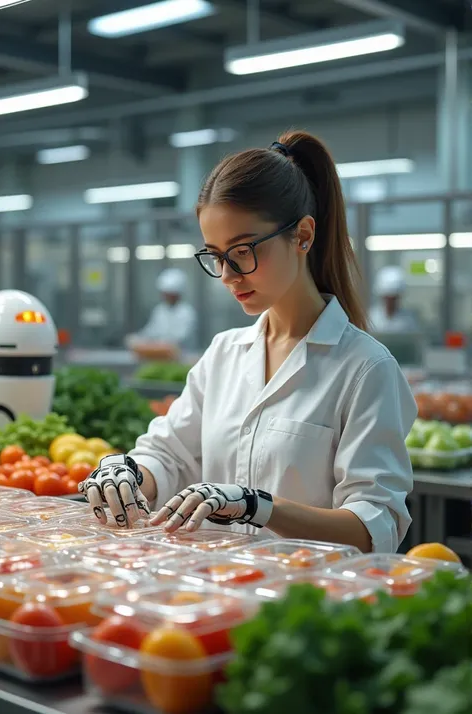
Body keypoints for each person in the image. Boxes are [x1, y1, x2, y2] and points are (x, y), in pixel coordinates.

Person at [80, 131, 417, 554]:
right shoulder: (225, 354)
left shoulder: (365, 368)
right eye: (216, 256)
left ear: (303, 236)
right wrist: (128, 472)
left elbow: (375, 526)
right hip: (214, 591)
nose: (227, 275)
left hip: (306, 603)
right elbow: (169, 455)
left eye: (242, 251)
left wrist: (260, 508)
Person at [128, 268, 197, 351]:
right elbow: (150, 331)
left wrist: (159, 342)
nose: (166, 297)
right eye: (165, 293)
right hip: (160, 356)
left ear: (177, 294)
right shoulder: (159, 310)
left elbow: (180, 338)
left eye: (170, 294)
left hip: (182, 358)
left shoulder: (187, 313)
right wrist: (138, 339)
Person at [369, 266, 420, 334]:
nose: (391, 302)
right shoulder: (372, 319)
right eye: (388, 298)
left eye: (394, 298)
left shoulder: (408, 320)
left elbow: (414, 340)